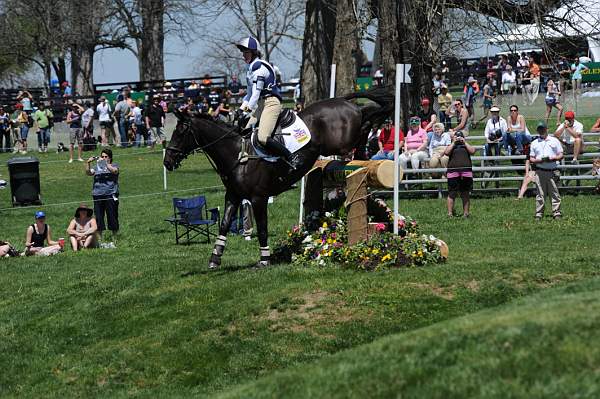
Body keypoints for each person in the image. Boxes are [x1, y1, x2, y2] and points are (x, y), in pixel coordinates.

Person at [237, 36, 299, 169]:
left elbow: (255, 94)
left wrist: (246, 112)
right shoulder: (250, 69)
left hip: (271, 103)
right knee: (244, 131)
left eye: (246, 52)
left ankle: (291, 158)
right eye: (243, 53)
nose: (243, 55)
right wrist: (240, 110)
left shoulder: (259, 68)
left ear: (254, 52)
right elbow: (248, 95)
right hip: (261, 104)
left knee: (263, 137)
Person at [530, 121, 563, 220]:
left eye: (543, 129)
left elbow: (561, 154)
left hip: (552, 170)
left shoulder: (554, 140)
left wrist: (554, 158)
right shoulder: (534, 143)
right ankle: (539, 213)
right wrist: (537, 160)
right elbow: (531, 158)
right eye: (539, 129)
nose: (541, 131)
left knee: (554, 192)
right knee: (540, 193)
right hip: (540, 171)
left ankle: (556, 212)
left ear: (546, 129)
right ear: (537, 130)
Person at [86, 149, 120, 244]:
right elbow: (88, 173)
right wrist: (88, 163)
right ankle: (100, 239)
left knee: (112, 215)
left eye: (106, 157)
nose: (104, 158)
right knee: (99, 217)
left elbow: (114, 171)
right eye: (102, 156)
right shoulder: (96, 167)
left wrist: (105, 164)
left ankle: (114, 237)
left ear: (110, 158)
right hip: (97, 195)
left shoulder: (114, 165)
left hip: (110, 194)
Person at [444, 131, 476, 217]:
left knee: (465, 193)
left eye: (460, 136)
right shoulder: (452, 146)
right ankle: (450, 213)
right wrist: (454, 142)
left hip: (466, 172)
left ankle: (466, 213)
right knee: (452, 193)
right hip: (453, 172)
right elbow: (446, 152)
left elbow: (473, 151)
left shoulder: (466, 145)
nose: (458, 138)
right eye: (456, 136)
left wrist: (464, 142)